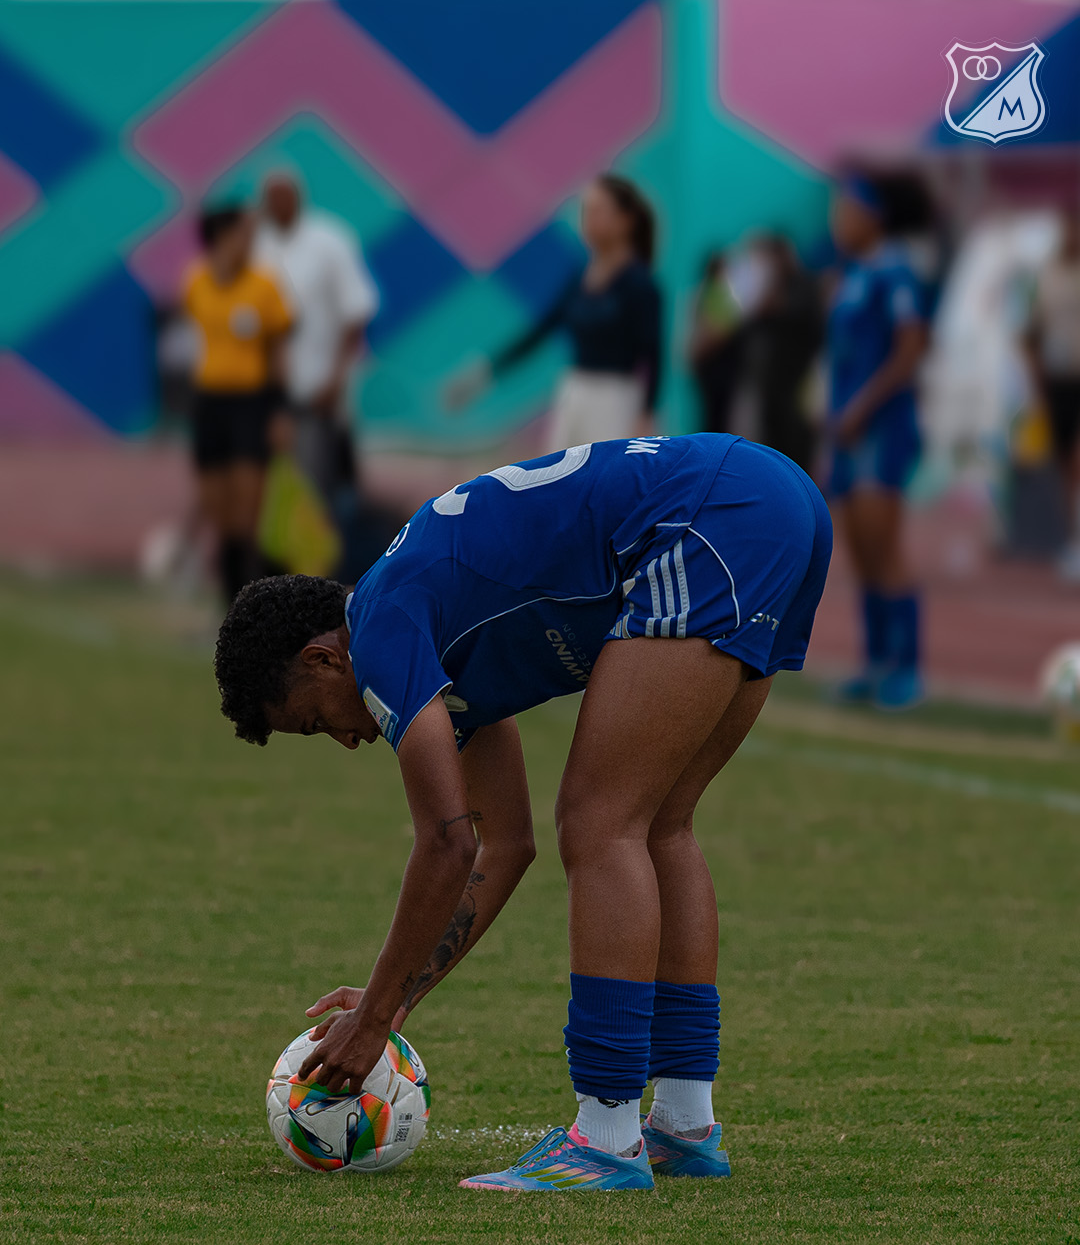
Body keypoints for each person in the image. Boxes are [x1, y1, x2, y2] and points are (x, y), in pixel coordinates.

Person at [213, 429, 832, 1191]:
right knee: (660, 823)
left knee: (600, 823)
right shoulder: (429, 625)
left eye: (316, 721)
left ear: (322, 658)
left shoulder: (379, 629)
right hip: (768, 498)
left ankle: (605, 1137)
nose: (346, 740)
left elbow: (445, 843)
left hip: (710, 515)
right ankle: (683, 1124)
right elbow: (502, 844)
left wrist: (372, 1019)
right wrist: (396, 997)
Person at [447, 174, 661, 446]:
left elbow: (654, 353)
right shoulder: (580, 278)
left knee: (608, 470)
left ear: (625, 220)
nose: (588, 220)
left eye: (598, 211)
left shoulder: (640, 284)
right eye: (585, 212)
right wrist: (486, 372)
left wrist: (647, 412)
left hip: (615, 399)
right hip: (575, 391)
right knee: (561, 468)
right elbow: (540, 330)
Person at [826, 177, 928, 710]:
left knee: (883, 544)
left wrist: (862, 407)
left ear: (874, 217)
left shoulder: (895, 272)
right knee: (860, 549)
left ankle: (907, 668)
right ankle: (874, 662)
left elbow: (910, 350)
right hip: (846, 430)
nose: (837, 221)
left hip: (880, 430)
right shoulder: (852, 275)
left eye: (846, 210)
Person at [255, 172, 381, 579]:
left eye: (283, 196)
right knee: (267, 499)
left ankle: (317, 583)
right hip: (266, 396)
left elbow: (355, 314)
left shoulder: (329, 241)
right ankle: (271, 582)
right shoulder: (257, 245)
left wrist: (337, 379)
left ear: (298, 197)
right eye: (269, 197)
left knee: (313, 492)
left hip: (317, 395)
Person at [181, 204, 293, 604]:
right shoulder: (196, 282)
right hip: (210, 402)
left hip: (251, 403)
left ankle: (262, 602)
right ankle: (228, 608)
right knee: (221, 514)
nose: (250, 242)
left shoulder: (264, 285)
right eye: (243, 234)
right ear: (221, 237)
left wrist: (280, 410)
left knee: (249, 514)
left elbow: (278, 353)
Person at [1025, 211, 1080, 582]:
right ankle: (1072, 540)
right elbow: (1031, 331)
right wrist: (1036, 379)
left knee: (1077, 459)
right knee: (1063, 466)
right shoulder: (1046, 274)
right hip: (1057, 380)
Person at [740, 235, 823, 474]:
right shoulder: (763, 289)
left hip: (799, 385)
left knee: (798, 451)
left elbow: (808, 324)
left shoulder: (804, 286)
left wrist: (771, 302)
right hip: (768, 387)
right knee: (771, 452)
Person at [688, 252, 744, 434]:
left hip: (711, 365)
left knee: (712, 415)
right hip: (716, 366)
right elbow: (718, 329)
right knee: (717, 417)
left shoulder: (703, 292)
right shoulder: (718, 293)